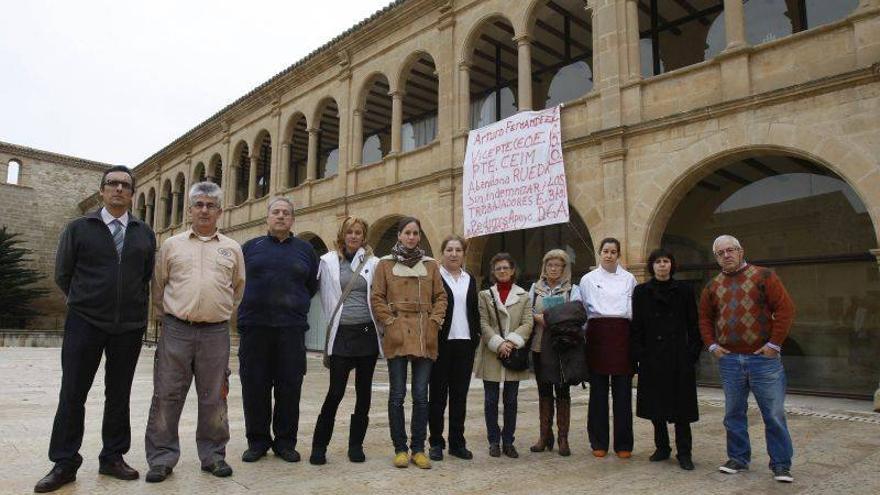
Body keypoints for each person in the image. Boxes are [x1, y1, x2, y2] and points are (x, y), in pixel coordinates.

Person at [35, 166, 156, 493]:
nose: (118, 189)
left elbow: (144, 276)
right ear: (102, 190)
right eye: (112, 184)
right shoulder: (79, 228)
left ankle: (113, 456)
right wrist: (87, 301)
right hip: (85, 322)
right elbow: (64, 274)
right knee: (73, 392)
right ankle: (64, 462)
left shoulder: (144, 232)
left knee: (119, 393)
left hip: (128, 326)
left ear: (132, 194)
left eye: (125, 185)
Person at [144, 182, 245, 483]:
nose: (204, 210)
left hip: (215, 332)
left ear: (219, 211)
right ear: (189, 210)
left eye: (210, 205)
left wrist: (218, 312)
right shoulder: (172, 245)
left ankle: (213, 456)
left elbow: (237, 289)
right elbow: (158, 287)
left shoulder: (232, 248)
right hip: (176, 330)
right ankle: (162, 458)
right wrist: (172, 316)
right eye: (198, 204)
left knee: (214, 396)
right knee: (167, 394)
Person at [699, 234, 796, 483]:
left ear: (741, 251)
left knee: (773, 414)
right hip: (730, 360)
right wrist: (712, 346)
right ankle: (738, 458)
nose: (726, 256)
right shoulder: (712, 286)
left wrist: (774, 345)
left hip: (763, 359)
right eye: (720, 253)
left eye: (730, 250)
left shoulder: (763, 276)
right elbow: (704, 319)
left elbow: (785, 309)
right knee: (733, 413)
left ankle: (781, 464)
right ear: (716, 258)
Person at [237, 197, 318, 464]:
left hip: (291, 329)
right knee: (254, 385)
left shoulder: (305, 250)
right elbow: (237, 282)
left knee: (289, 386)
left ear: (293, 219)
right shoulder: (250, 248)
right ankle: (257, 441)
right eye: (276, 212)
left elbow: (310, 285)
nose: (281, 216)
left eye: (286, 213)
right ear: (267, 218)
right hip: (255, 328)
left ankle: (285, 442)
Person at [370, 217, 447, 469]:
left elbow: (440, 297)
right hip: (398, 333)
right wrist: (390, 323)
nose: (412, 237)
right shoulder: (384, 264)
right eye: (407, 233)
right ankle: (400, 448)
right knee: (397, 395)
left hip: (425, 334)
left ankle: (418, 449)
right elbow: (377, 297)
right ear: (399, 236)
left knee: (421, 396)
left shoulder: (431, 265)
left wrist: (435, 321)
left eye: (416, 233)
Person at [310, 217, 381, 465]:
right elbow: (311, 287)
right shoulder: (327, 261)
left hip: (366, 334)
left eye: (358, 232)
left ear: (364, 236)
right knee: (335, 392)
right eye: (349, 232)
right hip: (342, 334)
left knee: (364, 394)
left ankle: (355, 446)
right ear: (343, 235)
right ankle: (319, 446)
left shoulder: (374, 263)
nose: (353, 236)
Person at [631, 248, 701, 471]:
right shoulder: (641, 291)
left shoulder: (685, 290)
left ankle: (685, 452)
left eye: (666, 261)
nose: (662, 265)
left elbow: (693, 323)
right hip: (653, 356)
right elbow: (637, 326)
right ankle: (662, 447)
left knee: (682, 409)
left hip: (678, 356)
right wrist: (640, 354)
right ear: (652, 266)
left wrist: (692, 353)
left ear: (672, 265)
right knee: (656, 405)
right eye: (658, 261)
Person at [578, 237, 636, 459]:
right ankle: (598, 442)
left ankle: (624, 444)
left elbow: (632, 309)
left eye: (613, 252)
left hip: (622, 334)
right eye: (605, 251)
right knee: (598, 393)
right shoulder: (588, 279)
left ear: (618, 255)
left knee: (622, 393)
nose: (609, 255)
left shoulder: (629, 279)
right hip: (597, 335)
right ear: (599, 253)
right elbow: (583, 309)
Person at [475, 252, 533, 459]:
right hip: (492, 353)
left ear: (512, 270)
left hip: (513, 354)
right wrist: (498, 343)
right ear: (493, 272)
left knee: (511, 400)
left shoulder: (524, 295)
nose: (502, 271)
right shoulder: (484, 295)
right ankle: (493, 440)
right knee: (490, 400)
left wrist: (510, 342)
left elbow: (528, 322)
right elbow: (482, 322)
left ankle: (508, 440)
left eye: (505, 267)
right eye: (498, 268)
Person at [427, 235, 480, 462]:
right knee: (438, 396)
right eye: (449, 249)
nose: (454, 253)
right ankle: (436, 442)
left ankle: (457, 442)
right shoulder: (435, 277)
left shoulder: (470, 279)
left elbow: (474, 310)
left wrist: (476, 335)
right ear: (443, 252)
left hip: (465, 344)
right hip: (442, 344)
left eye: (458, 249)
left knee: (460, 396)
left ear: (463, 254)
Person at [528, 249, 580, 457]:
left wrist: (551, 318)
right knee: (544, 390)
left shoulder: (572, 289)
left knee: (562, 391)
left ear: (564, 268)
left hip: (562, 347)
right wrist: (538, 317)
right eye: (550, 265)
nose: (553, 269)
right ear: (544, 267)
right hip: (540, 345)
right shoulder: (535, 289)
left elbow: (576, 313)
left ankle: (563, 438)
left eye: (558, 265)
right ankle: (545, 435)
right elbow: (528, 311)